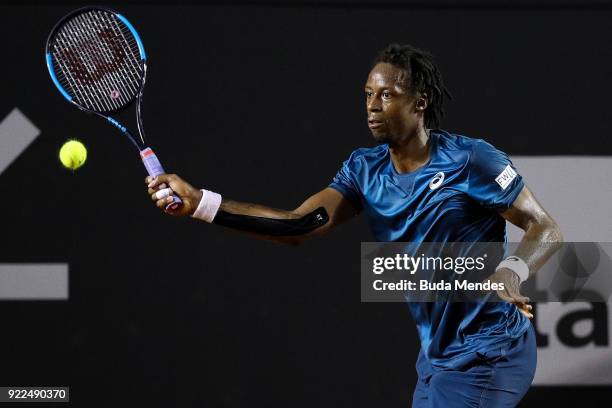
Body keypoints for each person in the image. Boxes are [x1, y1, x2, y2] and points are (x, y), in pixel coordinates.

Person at [146, 44, 562, 407]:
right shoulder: (364, 170)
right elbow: (300, 225)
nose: (373, 105)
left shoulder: (472, 160)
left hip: (492, 352)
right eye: (368, 95)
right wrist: (202, 203)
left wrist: (512, 271)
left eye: (387, 95)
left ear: (420, 102)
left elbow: (545, 228)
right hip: (437, 358)